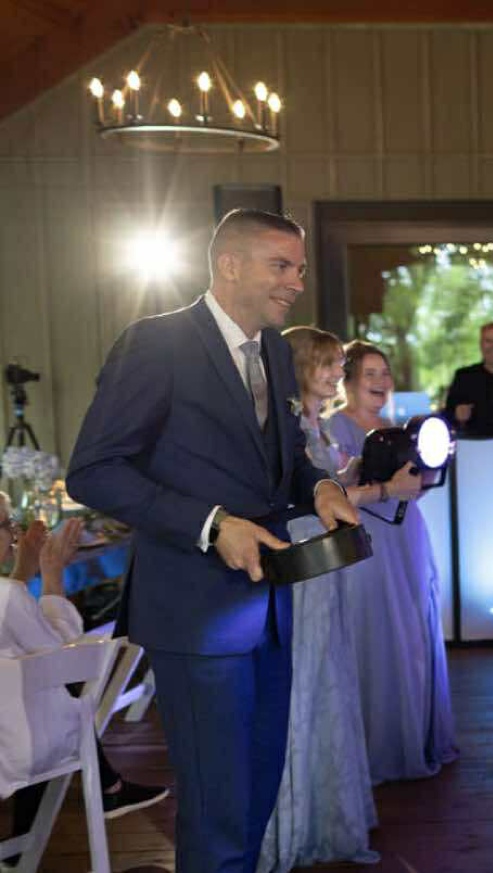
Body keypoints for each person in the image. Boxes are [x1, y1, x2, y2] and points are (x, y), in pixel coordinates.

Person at [66, 209, 359, 873]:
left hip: (270, 611)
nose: (295, 282)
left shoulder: (278, 351)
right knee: (216, 806)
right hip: (194, 613)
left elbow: (281, 464)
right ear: (229, 264)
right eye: (280, 265)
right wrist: (210, 525)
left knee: (255, 796)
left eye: (300, 268)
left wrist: (317, 488)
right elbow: (93, 470)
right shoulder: (155, 342)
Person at [257, 327, 388, 872]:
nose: (339, 373)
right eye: (329, 364)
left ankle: (327, 812)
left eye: (339, 364)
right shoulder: (281, 426)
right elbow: (294, 502)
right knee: (304, 683)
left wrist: (350, 477)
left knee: (329, 679)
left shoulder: (313, 425)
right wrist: (376, 492)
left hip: (326, 571)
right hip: (303, 572)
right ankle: (295, 819)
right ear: (301, 365)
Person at [328, 340, 457, 784]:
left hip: (407, 535)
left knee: (413, 633)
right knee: (377, 635)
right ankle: (375, 747)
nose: (381, 382)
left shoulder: (399, 428)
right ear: (347, 381)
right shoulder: (334, 430)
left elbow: (418, 487)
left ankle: (413, 736)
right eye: (370, 374)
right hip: (364, 542)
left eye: (385, 373)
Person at [1, 511, 168, 852]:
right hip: (16, 749)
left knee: (33, 683)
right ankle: (109, 788)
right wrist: (52, 576)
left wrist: (21, 573)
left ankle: (106, 790)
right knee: (63, 685)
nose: (14, 530)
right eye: (6, 524)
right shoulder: (6, 597)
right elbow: (65, 654)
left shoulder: (7, 595)